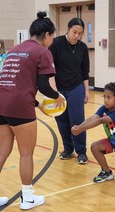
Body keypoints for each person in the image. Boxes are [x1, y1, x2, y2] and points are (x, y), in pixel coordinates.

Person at [0, 12, 65, 210]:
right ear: (46, 35)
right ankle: (27, 198)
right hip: (19, 106)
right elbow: (44, 86)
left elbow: (14, 84)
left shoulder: (15, 49)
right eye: (52, 36)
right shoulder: (43, 52)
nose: (52, 40)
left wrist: (37, 105)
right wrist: (57, 96)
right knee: (26, 154)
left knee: (1, 152)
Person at [49, 17, 90, 164]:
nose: (77, 36)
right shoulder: (56, 44)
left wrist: (86, 91)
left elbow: (85, 71)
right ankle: (68, 149)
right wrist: (54, 93)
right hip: (59, 89)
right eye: (74, 32)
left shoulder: (83, 47)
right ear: (68, 29)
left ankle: (81, 151)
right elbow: (50, 71)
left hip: (76, 88)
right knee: (62, 121)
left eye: (80, 33)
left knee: (77, 121)